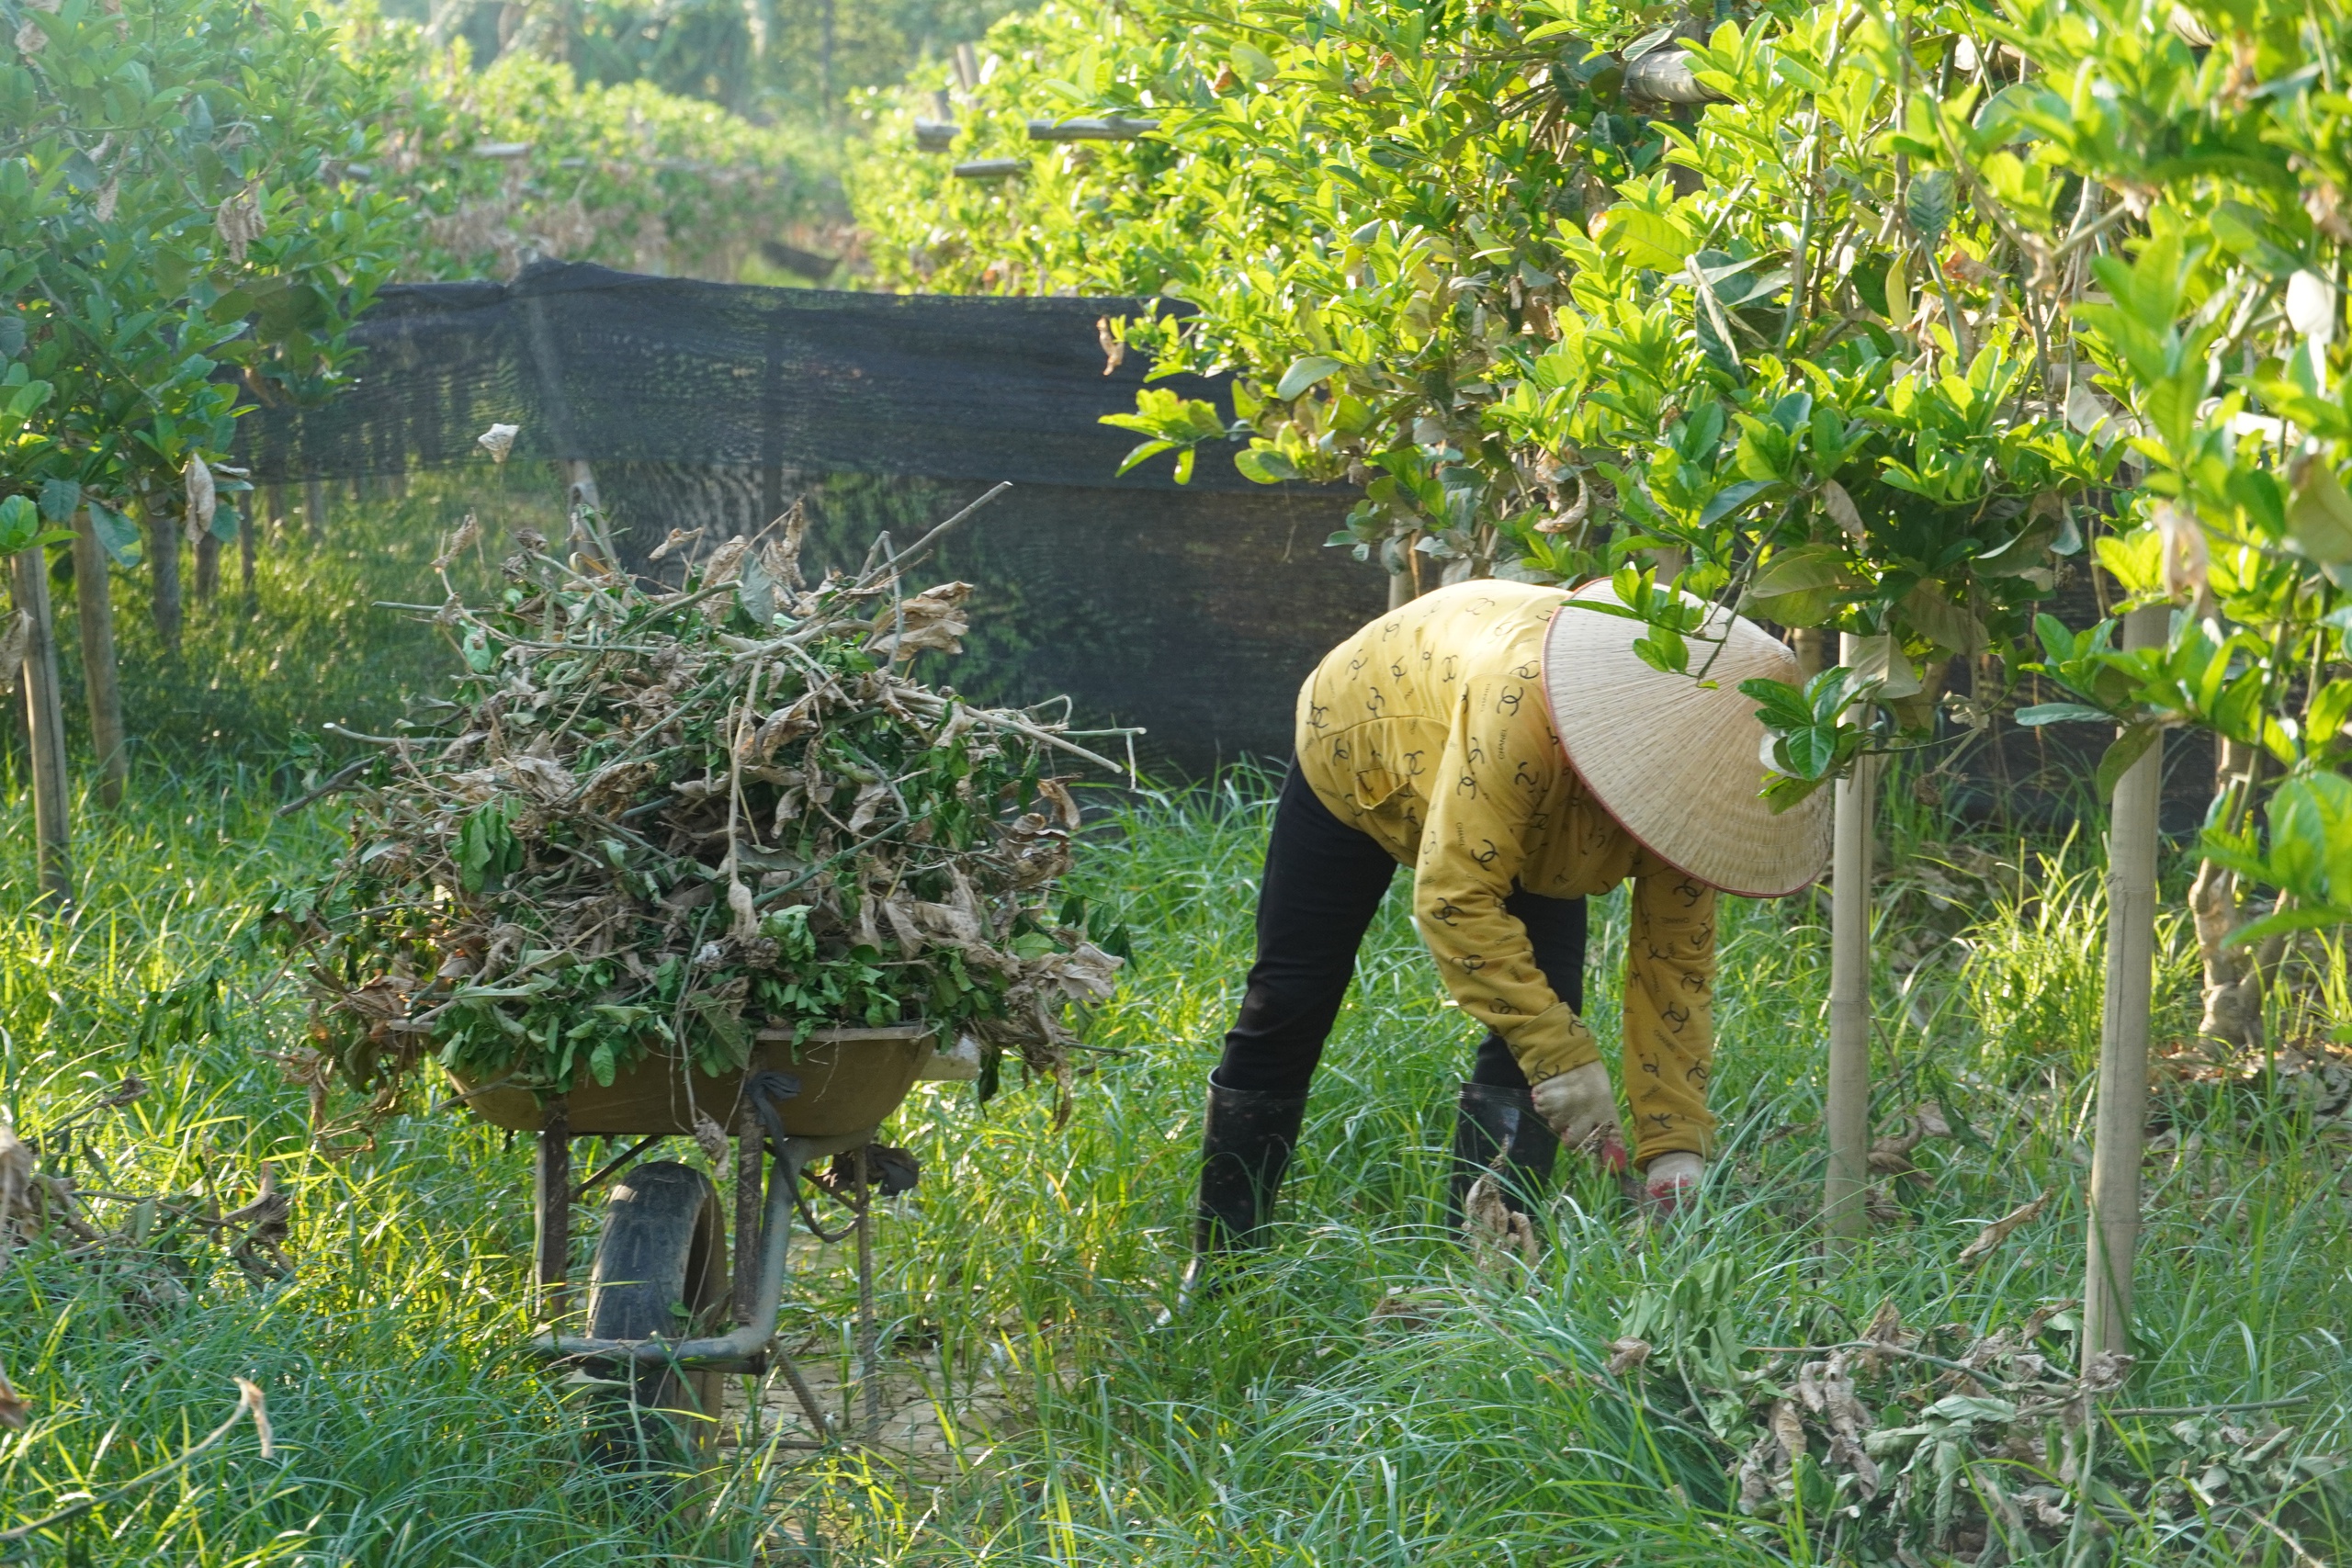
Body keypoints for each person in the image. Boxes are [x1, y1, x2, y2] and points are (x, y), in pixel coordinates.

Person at [1178, 577, 1830, 1296]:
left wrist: (1673, 1146)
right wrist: (1566, 1060)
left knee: (1543, 1012)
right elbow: (1454, 898)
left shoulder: (1697, 791)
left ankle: (1486, 1286)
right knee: (1290, 998)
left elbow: (1672, 962)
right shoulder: (1520, 700)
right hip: (1369, 732)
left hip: (1533, 808)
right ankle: (1222, 1274)